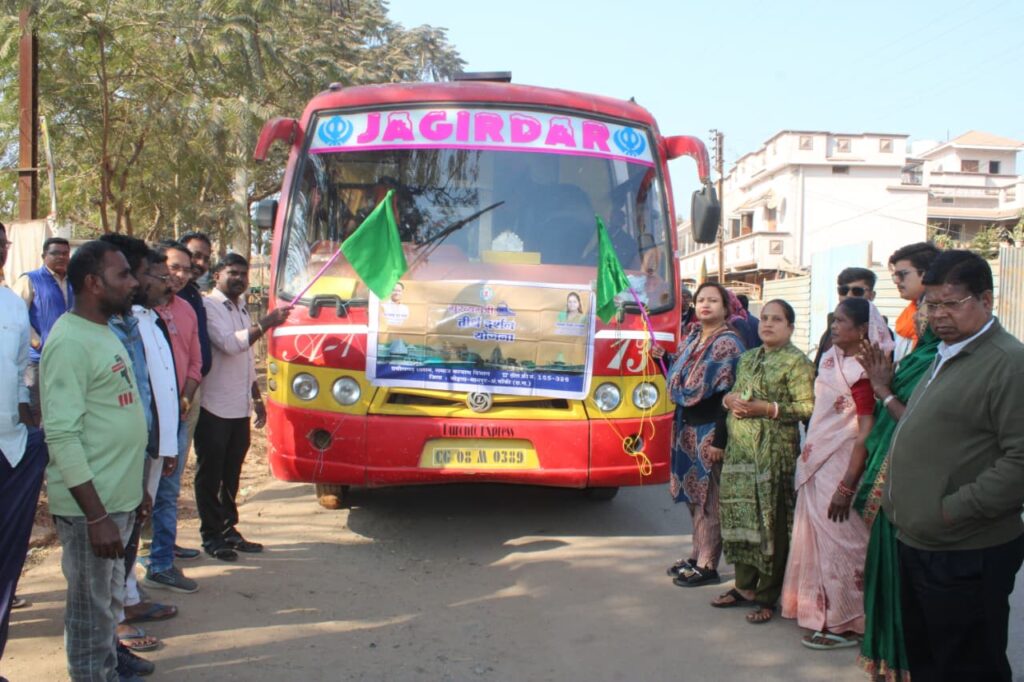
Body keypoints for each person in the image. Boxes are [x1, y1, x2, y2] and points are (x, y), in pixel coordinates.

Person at [884, 250, 1024, 682]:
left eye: (951, 303)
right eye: (931, 304)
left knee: (968, 666)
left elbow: (1020, 460)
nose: (938, 315)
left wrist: (952, 510)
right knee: (929, 661)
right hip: (920, 541)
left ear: (986, 299)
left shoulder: (1008, 362)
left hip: (965, 549)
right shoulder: (945, 353)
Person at [41, 240, 149, 681]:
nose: (133, 282)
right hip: (93, 511)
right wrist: (97, 516)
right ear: (93, 283)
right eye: (122, 274)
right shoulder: (69, 342)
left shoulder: (103, 330)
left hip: (117, 501)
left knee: (107, 606)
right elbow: (62, 435)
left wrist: (135, 491)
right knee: (90, 615)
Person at [780, 297, 893, 650]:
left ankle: (849, 621)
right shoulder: (830, 359)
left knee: (843, 543)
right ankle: (822, 612)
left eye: (841, 321)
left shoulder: (864, 370)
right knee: (819, 539)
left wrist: (847, 485)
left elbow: (865, 428)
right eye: (833, 320)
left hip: (844, 462)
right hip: (817, 459)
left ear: (862, 330)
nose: (834, 326)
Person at [853, 289, 940, 680]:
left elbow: (915, 424)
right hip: (890, 483)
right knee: (883, 577)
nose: (923, 315)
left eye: (932, 306)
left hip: (909, 487)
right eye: (924, 307)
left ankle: (903, 665)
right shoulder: (919, 356)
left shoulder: (939, 362)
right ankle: (885, 662)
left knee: (901, 583)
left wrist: (884, 391)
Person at [712, 300, 815, 624]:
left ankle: (768, 595)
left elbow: (807, 407)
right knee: (741, 517)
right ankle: (744, 586)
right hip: (741, 454)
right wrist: (729, 400)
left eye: (777, 319)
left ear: (790, 327)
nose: (768, 324)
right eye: (765, 318)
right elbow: (733, 394)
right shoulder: (748, 358)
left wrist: (767, 409)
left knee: (771, 524)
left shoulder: (797, 362)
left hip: (774, 455)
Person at [195, 253, 291, 561]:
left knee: (231, 472)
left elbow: (247, 359)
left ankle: (228, 529)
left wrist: (256, 398)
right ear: (217, 275)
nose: (239, 278)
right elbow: (230, 344)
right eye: (232, 273)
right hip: (214, 406)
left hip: (239, 406)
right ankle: (211, 535)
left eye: (243, 274)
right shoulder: (209, 307)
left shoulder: (240, 307)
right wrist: (267, 322)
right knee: (211, 474)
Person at [654, 282, 744, 587]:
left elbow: (726, 394)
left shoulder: (727, 343)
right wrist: (662, 358)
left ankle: (708, 564)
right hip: (686, 427)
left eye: (713, 300)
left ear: (725, 308)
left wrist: (720, 440)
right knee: (693, 497)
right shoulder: (692, 337)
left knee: (709, 500)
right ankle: (696, 555)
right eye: (701, 299)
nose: (705, 304)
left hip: (710, 429)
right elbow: (681, 380)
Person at [0, 222, 48, 665]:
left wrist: (29, 422)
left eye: (2, 245)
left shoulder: (14, 306)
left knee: (5, 562)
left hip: (11, 447)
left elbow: (18, 374)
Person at [146, 241, 204, 593]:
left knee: (168, 491)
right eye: (174, 267)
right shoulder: (139, 311)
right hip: (143, 419)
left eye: (186, 269)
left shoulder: (187, 310)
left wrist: (186, 395)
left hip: (176, 416)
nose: (180, 275)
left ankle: (161, 563)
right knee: (138, 495)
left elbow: (196, 361)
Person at [13, 236, 73, 424]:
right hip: (38, 358)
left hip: (68, 357)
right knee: (35, 408)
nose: (61, 257)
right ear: (44, 256)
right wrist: (37, 342)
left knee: (64, 407)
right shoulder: (30, 280)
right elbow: (16, 316)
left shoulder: (75, 281)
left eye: (65, 253)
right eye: (55, 253)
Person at [812, 267, 877, 372]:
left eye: (857, 291)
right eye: (843, 291)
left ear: (872, 295)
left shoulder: (881, 337)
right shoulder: (831, 330)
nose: (849, 296)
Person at [888, 242, 941, 363]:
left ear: (926, 273)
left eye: (902, 274)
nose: (896, 281)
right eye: (895, 275)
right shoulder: (910, 311)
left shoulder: (938, 315)